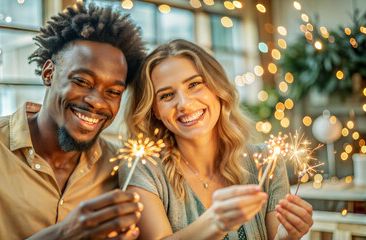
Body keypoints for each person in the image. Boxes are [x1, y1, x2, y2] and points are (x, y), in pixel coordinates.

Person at [0, 3, 147, 239]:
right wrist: (65, 234)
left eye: (113, 92)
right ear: (48, 73)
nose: (97, 102)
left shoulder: (120, 167)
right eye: (82, 81)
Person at [120, 39, 313, 240]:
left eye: (194, 84)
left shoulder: (267, 162)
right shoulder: (142, 169)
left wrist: (287, 236)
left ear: (216, 88)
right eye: (167, 95)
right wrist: (214, 222)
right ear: (155, 111)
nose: (184, 104)